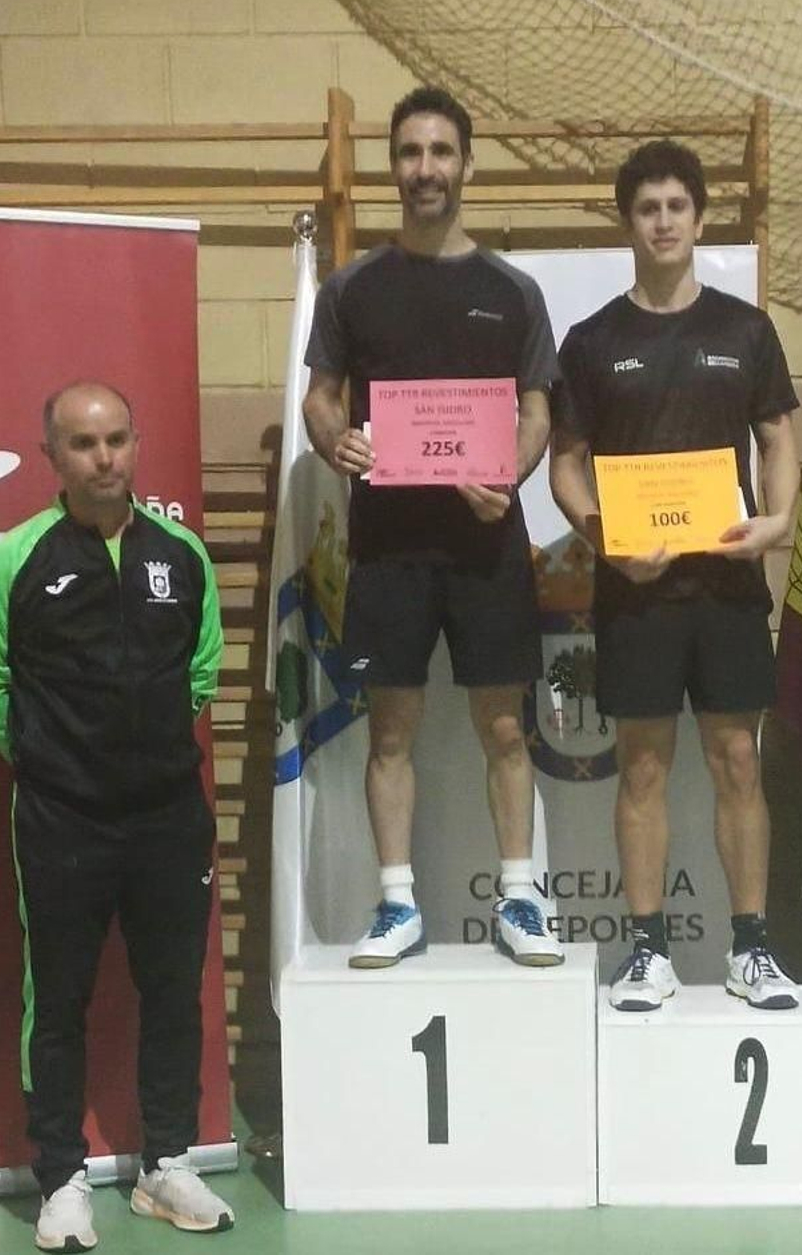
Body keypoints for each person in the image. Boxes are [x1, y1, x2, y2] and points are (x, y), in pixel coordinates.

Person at [0, 383, 233, 1251]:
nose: (103, 457)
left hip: (168, 816)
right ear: (53, 456)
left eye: (116, 439)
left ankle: (166, 1163)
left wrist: (140, 754)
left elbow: (201, 670)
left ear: (136, 444)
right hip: (61, 819)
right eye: (82, 443)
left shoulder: (182, 553)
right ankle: (61, 1177)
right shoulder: (14, 561)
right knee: (60, 999)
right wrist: (54, 758)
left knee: (172, 991)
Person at [302, 85, 563, 969]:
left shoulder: (512, 291)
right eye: (411, 153)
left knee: (505, 728)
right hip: (387, 546)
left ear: (467, 165)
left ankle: (520, 896)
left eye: (441, 152)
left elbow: (537, 412)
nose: (426, 169)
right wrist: (333, 440)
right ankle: (397, 903)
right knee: (389, 731)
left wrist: (508, 471)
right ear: (393, 167)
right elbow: (321, 398)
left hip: (486, 545)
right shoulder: (351, 288)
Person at [549, 139, 802, 1012]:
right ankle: (648, 949)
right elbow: (567, 465)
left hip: (727, 585)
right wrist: (603, 537)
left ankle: (751, 947)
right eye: (647, 208)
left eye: (676, 207)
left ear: (699, 219)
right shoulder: (592, 341)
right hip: (636, 591)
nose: (663, 222)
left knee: (738, 760)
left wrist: (778, 519)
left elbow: (777, 436)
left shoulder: (745, 329)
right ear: (629, 222)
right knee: (643, 768)